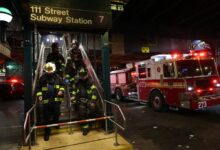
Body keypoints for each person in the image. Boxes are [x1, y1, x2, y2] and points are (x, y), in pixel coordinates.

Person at [36, 62, 64, 141]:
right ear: (45, 70)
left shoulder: (58, 77)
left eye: (50, 69)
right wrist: (39, 95)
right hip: (46, 101)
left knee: (57, 113)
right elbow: (38, 88)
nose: (49, 71)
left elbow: (62, 85)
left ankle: (55, 123)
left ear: (53, 69)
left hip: (56, 101)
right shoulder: (42, 78)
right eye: (47, 70)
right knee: (47, 118)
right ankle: (47, 133)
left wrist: (61, 91)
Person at [71, 67, 99, 135]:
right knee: (82, 113)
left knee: (93, 109)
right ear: (79, 75)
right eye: (81, 74)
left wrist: (93, 101)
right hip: (80, 101)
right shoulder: (77, 83)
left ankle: (90, 123)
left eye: (84, 74)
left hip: (89, 100)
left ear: (86, 74)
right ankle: (85, 127)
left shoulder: (91, 82)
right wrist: (73, 96)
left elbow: (94, 92)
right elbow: (74, 91)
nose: (82, 76)